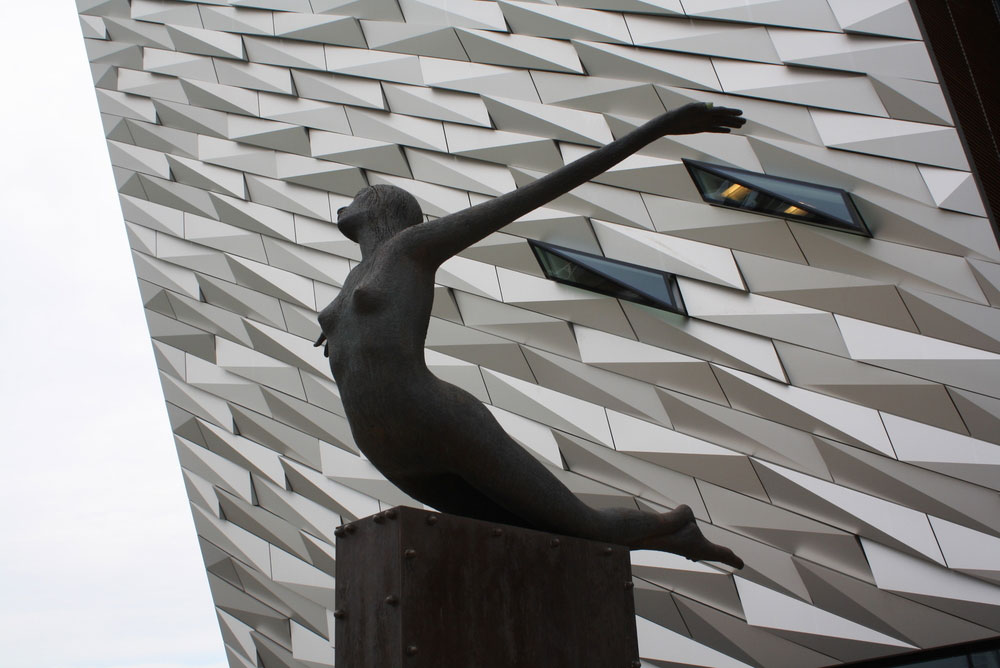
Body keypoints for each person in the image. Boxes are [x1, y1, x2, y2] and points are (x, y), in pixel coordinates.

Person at [314, 103, 746, 568]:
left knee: (578, 525)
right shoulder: (355, 274)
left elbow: (536, 193)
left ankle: (672, 528)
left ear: (378, 209)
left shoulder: (410, 249)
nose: (343, 206)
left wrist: (659, 127)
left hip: (434, 420)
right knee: (510, 537)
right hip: (380, 438)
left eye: (358, 197)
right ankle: (652, 541)